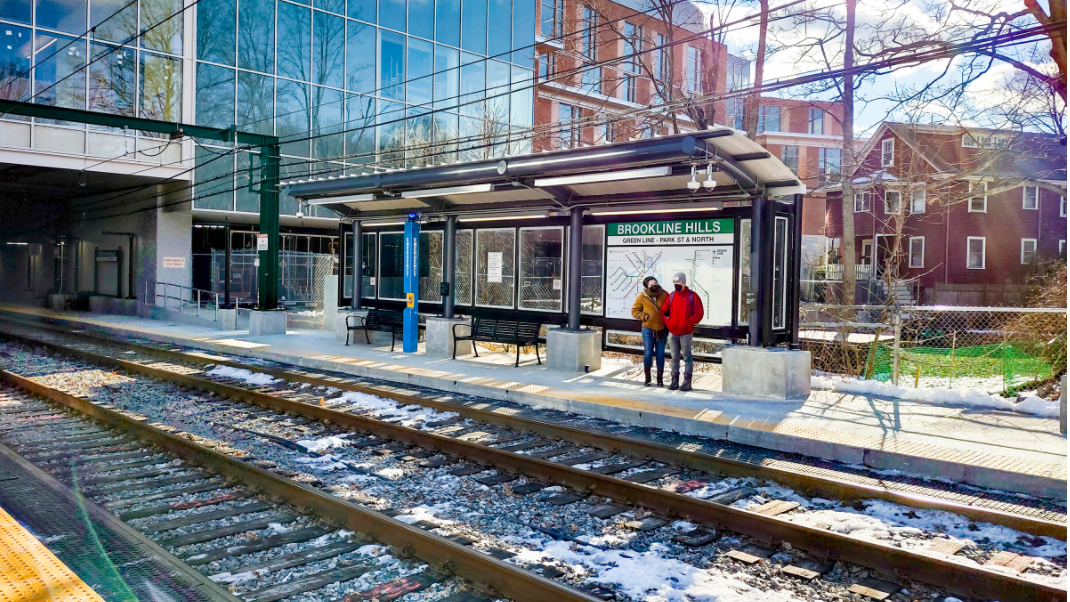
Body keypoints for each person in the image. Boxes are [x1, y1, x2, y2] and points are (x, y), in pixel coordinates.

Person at [661, 272, 704, 391]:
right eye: (675, 282)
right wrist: (668, 321)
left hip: (686, 332)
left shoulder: (692, 296)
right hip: (673, 332)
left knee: (687, 357)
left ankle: (687, 382)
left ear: (684, 282)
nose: (676, 284)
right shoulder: (672, 296)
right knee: (674, 357)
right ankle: (674, 381)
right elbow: (663, 311)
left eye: (678, 282)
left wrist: (689, 322)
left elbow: (699, 312)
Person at [631, 276, 669, 386]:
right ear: (647, 286)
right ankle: (647, 378)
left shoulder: (665, 294)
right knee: (648, 353)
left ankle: (660, 379)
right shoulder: (642, 296)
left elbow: (670, 308)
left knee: (660, 353)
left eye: (655, 283)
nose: (654, 286)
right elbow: (634, 311)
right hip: (647, 328)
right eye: (651, 285)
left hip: (661, 329)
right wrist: (645, 317)